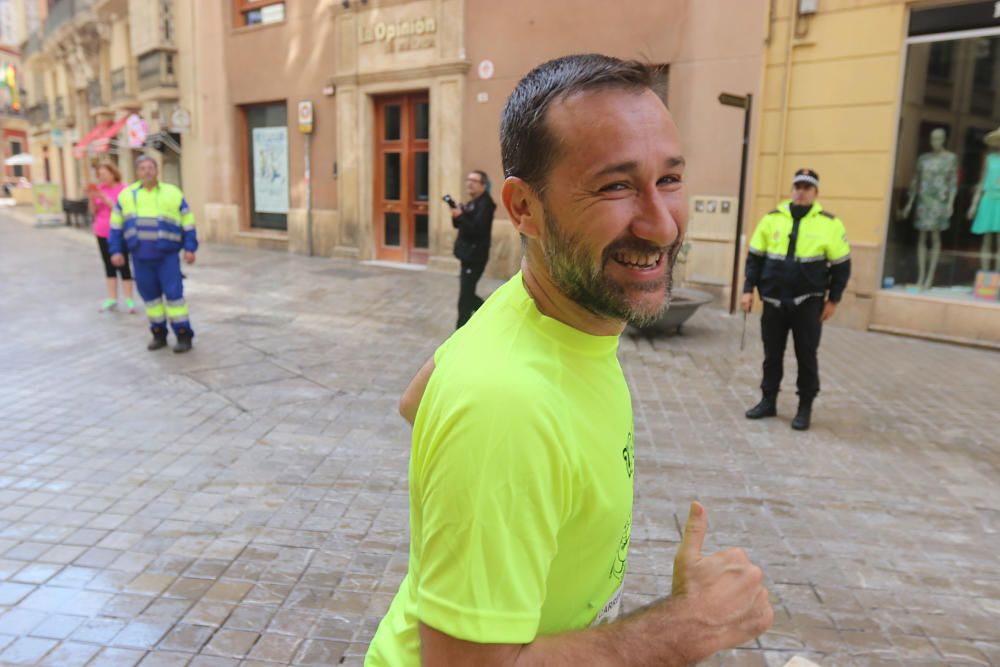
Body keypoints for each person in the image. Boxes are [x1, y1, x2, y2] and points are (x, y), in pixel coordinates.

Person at [366, 54, 772, 667]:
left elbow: (413, 400)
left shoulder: (534, 306)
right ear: (524, 209)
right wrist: (682, 628)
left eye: (669, 179)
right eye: (615, 185)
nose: (663, 226)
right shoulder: (505, 405)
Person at [742, 168, 851, 431]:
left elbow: (841, 266)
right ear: (792, 190)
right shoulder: (771, 219)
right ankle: (768, 401)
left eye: (807, 187)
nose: (801, 191)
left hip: (808, 303)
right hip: (773, 301)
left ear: (815, 193)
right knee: (771, 356)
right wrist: (747, 290)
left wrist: (833, 300)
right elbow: (755, 258)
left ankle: (805, 408)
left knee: (806, 355)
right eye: (798, 186)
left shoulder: (830, 224)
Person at [108, 155, 198, 353]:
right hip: (140, 258)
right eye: (143, 168)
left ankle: (183, 335)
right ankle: (158, 333)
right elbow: (115, 227)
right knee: (151, 299)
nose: (147, 171)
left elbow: (188, 222)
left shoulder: (172, 193)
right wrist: (115, 250)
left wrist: (190, 248)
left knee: (174, 297)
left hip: (167, 257)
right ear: (137, 172)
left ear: (157, 171)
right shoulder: (126, 196)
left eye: (151, 167)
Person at [451, 169, 496, 328]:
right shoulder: (473, 202)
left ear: (483, 185)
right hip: (468, 256)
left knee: (465, 298)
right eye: (468, 180)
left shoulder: (486, 204)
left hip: (475, 257)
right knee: (467, 296)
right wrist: (457, 214)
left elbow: (477, 230)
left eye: (474, 181)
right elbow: (459, 225)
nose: (469, 183)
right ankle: (492, 314)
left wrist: (461, 216)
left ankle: (460, 332)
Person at [88, 162, 135, 313]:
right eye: (100, 175)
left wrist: (104, 197)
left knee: (124, 265)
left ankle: (129, 300)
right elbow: (93, 211)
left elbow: (119, 209)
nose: (102, 178)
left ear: (113, 173)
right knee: (108, 266)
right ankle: (112, 298)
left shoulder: (124, 189)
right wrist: (91, 198)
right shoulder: (99, 189)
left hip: (119, 232)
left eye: (104, 174)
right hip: (102, 231)